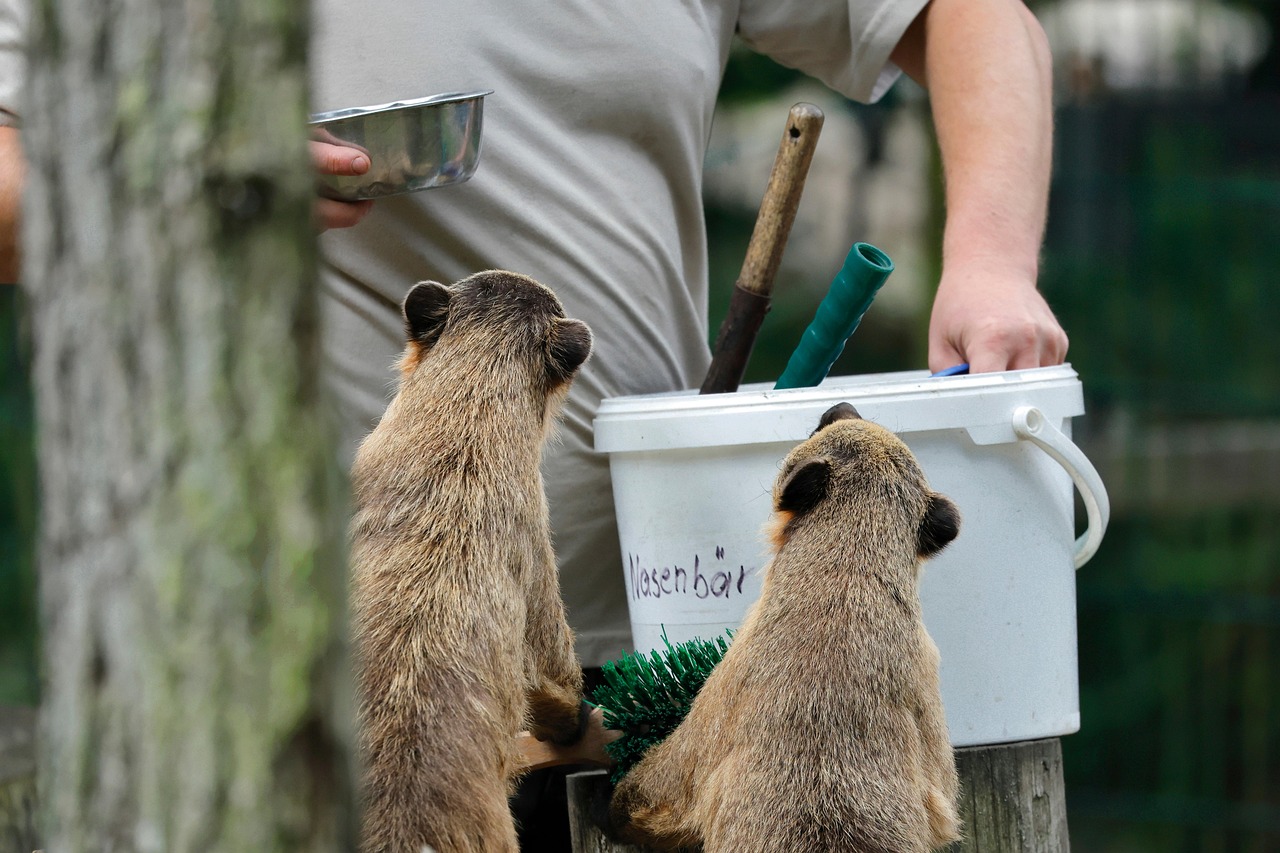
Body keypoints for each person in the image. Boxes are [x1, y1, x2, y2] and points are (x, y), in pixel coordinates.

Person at [3, 0, 1067, 844]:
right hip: (291, 682)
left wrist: (989, 262)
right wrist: (191, 184)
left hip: (649, 683)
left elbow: (973, 17)